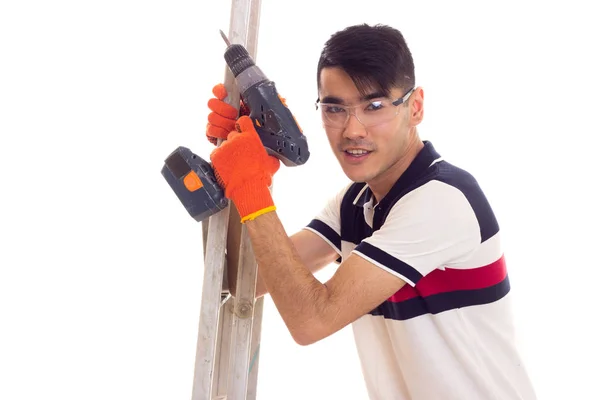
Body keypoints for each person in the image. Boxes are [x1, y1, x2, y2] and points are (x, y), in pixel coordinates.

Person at [205, 23, 537, 400]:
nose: (352, 130)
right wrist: (235, 171)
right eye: (334, 108)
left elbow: (311, 321)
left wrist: (252, 190)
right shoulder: (354, 203)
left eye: (373, 106)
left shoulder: (443, 200)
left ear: (415, 107)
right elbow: (243, 278)